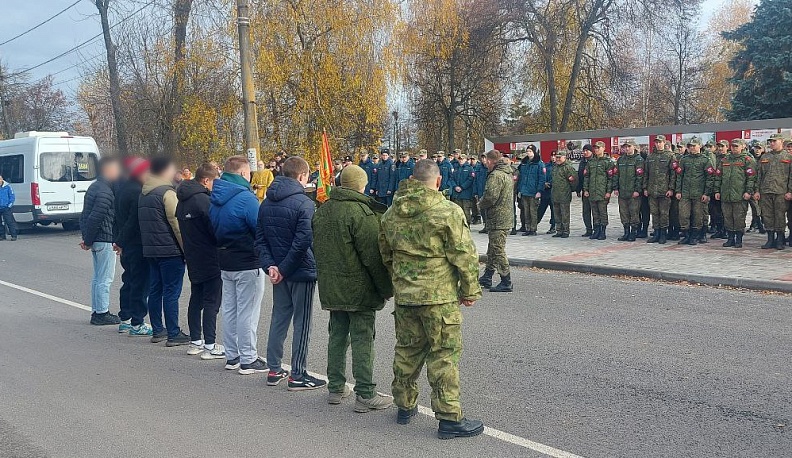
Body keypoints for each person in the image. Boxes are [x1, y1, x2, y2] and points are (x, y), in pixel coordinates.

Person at [378, 159, 484, 439]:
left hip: (406, 297)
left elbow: (386, 254)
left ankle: (404, 406)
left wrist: (403, 280)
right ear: (438, 182)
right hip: (439, 298)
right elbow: (464, 255)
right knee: (444, 356)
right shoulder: (447, 211)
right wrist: (470, 290)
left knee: (407, 350)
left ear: (412, 180)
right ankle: (449, 418)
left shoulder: (391, 214)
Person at [313, 165, 393, 411]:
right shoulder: (361, 213)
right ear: (362, 184)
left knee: (337, 336)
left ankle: (335, 388)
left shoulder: (323, 210)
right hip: (359, 289)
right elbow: (373, 257)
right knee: (362, 339)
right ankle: (366, 393)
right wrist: (386, 288)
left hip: (332, 286)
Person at [256, 156, 326, 391]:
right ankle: (298, 374)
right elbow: (304, 240)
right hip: (300, 269)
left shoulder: (265, 203)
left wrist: (272, 267)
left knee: (279, 318)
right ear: (303, 176)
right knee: (302, 323)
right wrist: (283, 268)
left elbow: (260, 239)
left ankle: (274, 369)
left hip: (278, 270)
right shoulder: (304, 203)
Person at [210, 156, 267, 373]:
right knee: (248, 312)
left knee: (230, 309)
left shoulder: (215, 196)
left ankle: (232, 355)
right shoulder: (246, 198)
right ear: (243, 173)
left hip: (225, 259)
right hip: (247, 260)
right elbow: (258, 228)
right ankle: (248, 358)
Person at [138, 156, 188, 345]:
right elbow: (176, 223)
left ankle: (158, 329)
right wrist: (186, 249)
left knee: (155, 290)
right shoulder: (167, 193)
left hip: (151, 249)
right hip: (170, 250)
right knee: (171, 292)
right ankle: (174, 333)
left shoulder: (144, 193)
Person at [178, 163, 225, 360]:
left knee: (196, 299)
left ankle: (195, 341)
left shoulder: (182, 200)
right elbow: (214, 228)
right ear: (206, 180)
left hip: (192, 254)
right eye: (215, 182)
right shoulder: (204, 201)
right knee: (212, 302)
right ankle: (210, 345)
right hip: (210, 255)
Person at [80, 157, 122, 326]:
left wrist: (87, 238)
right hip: (104, 238)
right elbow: (96, 217)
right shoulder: (105, 191)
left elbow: (85, 216)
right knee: (105, 278)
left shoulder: (95, 187)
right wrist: (88, 240)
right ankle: (102, 313)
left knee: (98, 278)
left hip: (97, 239)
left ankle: (97, 310)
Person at [115, 157, 153, 336]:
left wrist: (119, 240)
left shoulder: (122, 188)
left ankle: (125, 318)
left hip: (127, 244)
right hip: (137, 244)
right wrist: (121, 240)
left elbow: (118, 219)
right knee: (140, 282)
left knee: (128, 280)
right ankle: (138, 322)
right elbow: (133, 222)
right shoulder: (138, 192)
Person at [477, 150, 514, 293]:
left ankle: (506, 281)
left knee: (498, 250)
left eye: (486, 161)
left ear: (491, 161)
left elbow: (490, 197)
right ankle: (487, 276)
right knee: (492, 248)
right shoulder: (506, 173)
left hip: (498, 218)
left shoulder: (496, 176)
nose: (485, 163)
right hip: (503, 217)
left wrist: (480, 204)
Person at [715, 139, 756, 249]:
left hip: (740, 195)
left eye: (736, 146)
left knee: (739, 218)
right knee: (727, 217)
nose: (734, 148)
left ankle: (739, 239)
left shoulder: (747, 160)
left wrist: (748, 191)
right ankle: (730, 238)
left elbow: (751, 178)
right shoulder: (725, 160)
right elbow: (718, 177)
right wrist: (717, 191)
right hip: (726, 195)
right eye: (732, 146)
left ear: (742, 146)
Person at [674, 138, 715, 246]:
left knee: (698, 215)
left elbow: (710, 178)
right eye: (690, 146)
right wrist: (678, 191)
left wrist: (706, 193)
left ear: (700, 146)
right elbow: (679, 176)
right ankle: (686, 235)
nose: (692, 148)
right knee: (683, 215)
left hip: (699, 193)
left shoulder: (705, 160)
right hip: (685, 193)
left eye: (694, 145)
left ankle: (695, 236)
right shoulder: (684, 159)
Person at [755, 133, 792, 250]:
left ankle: (780, 239)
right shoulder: (765, 157)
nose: (771, 143)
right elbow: (759, 175)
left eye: (774, 141)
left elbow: (791, 176)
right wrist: (757, 190)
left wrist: (790, 191)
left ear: (781, 141)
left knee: (780, 216)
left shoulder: (788, 157)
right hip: (766, 191)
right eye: (770, 141)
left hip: (781, 191)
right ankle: (770, 239)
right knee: (767, 216)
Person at [643, 135, 676, 244]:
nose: (658, 144)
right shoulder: (650, 157)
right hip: (652, 190)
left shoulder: (670, 156)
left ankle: (663, 234)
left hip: (664, 190)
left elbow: (673, 174)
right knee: (654, 213)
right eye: (656, 142)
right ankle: (656, 233)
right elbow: (646, 174)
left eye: (660, 142)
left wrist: (671, 188)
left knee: (664, 213)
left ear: (664, 143)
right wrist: (645, 187)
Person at [583, 141, 616, 240]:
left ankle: (603, 230)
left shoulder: (608, 162)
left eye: (598, 148)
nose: (596, 149)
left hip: (602, 192)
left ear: (603, 148)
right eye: (595, 148)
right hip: (592, 191)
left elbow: (610, 178)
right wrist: (586, 189)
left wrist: (608, 192)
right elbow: (587, 177)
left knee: (602, 212)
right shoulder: (591, 162)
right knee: (595, 212)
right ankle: (596, 230)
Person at [614, 140, 644, 242]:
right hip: (622, 191)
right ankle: (626, 232)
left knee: (634, 212)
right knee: (623, 213)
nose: (627, 149)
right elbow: (616, 174)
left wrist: (637, 190)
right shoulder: (621, 160)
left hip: (633, 192)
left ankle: (633, 232)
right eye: (625, 147)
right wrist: (616, 188)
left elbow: (640, 176)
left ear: (634, 147)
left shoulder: (638, 160)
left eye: (629, 146)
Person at [517, 148, 546, 236]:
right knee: (526, 211)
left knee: (533, 211)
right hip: (525, 191)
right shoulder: (524, 163)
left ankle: (533, 229)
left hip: (534, 191)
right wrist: (520, 190)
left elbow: (542, 178)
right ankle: (527, 228)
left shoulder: (539, 164)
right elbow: (521, 178)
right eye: (527, 151)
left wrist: (539, 191)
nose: (528, 153)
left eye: (530, 151)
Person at [550, 151, 577, 238]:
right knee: (557, 214)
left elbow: (574, 181)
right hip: (555, 194)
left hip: (564, 195)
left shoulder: (568, 168)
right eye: (556, 157)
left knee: (565, 214)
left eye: (559, 157)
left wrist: (570, 190)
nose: (557, 159)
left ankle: (566, 231)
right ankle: (559, 230)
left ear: (564, 158)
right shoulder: (555, 167)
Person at [450, 154, 476, 225]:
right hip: (457, 194)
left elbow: (470, 180)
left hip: (466, 194)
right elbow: (451, 179)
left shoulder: (470, 168)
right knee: (458, 211)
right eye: (460, 159)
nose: (461, 160)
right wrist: (455, 186)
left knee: (466, 211)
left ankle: (467, 225)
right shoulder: (456, 169)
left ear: (465, 160)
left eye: (462, 159)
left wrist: (462, 187)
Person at [537, 150, 555, 234]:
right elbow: (542, 175)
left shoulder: (558, 167)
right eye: (552, 155)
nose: (554, 158)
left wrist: (550, 183)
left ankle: (553, 226)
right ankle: (534, 224)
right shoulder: (546, 166)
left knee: (554, 210)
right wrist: (543, 183)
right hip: (545, 191)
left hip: (553, 191)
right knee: (540, 209)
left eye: (555, 156)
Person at [577, 144, 594, 236]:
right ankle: (588, 229)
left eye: (587, 150)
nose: (585, 152)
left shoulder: (595, 161)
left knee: (595, 212)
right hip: (585, 190)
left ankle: (597, 229)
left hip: (595, 190)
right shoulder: (582, 162)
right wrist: (578, 189)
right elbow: (580, 176)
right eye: (584, 151)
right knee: (586, 211)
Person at [0, 174, 18, 241]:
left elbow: (12, 197)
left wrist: (9, 206)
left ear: (2, 179)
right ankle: (2, 236)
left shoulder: (7, 187)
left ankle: (14, 235)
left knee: (9, 222)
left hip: (6, 207)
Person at [473, 153, 489, 232]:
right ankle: (485, 225)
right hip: (480, 192)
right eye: (482, 158)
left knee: (488, 210)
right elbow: (475, 180)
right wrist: (475, 192)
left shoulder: (491, 168)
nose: (483, 160)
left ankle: (489, 226)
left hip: (488, 193)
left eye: (485, 158)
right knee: (482, 209)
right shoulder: (479, 168)